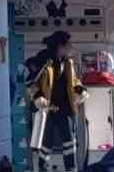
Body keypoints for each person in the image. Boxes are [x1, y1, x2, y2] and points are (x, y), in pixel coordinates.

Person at [27, 31, 84, 160]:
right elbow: (31, 82)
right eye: (69, 45)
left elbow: (73, 81)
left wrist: (80, 90)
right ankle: (41, 165)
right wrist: (37, 97)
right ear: (60, 46)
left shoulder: (67, 62)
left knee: (69, 138)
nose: (71, 47)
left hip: (64, 107)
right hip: (46, 107)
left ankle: (71, 169)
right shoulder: (42, 60)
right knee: (46, 139)